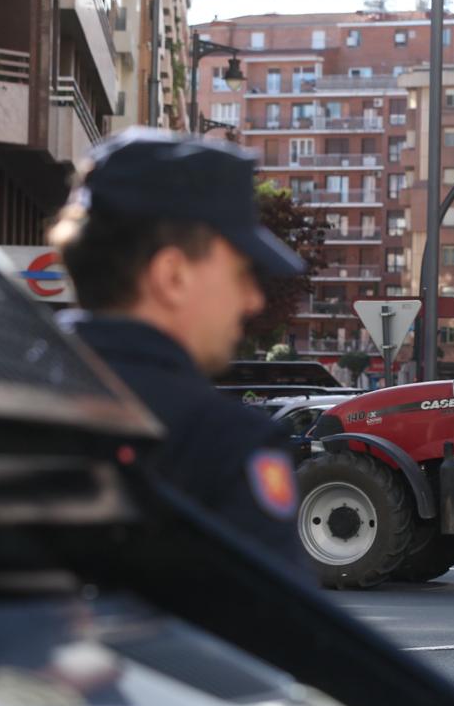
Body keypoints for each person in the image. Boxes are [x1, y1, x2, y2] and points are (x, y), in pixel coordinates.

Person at [49, 128, 309, 565]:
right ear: (173, 276)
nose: (253, 299)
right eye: (241, 272)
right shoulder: (225, 446)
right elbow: (284, 631)